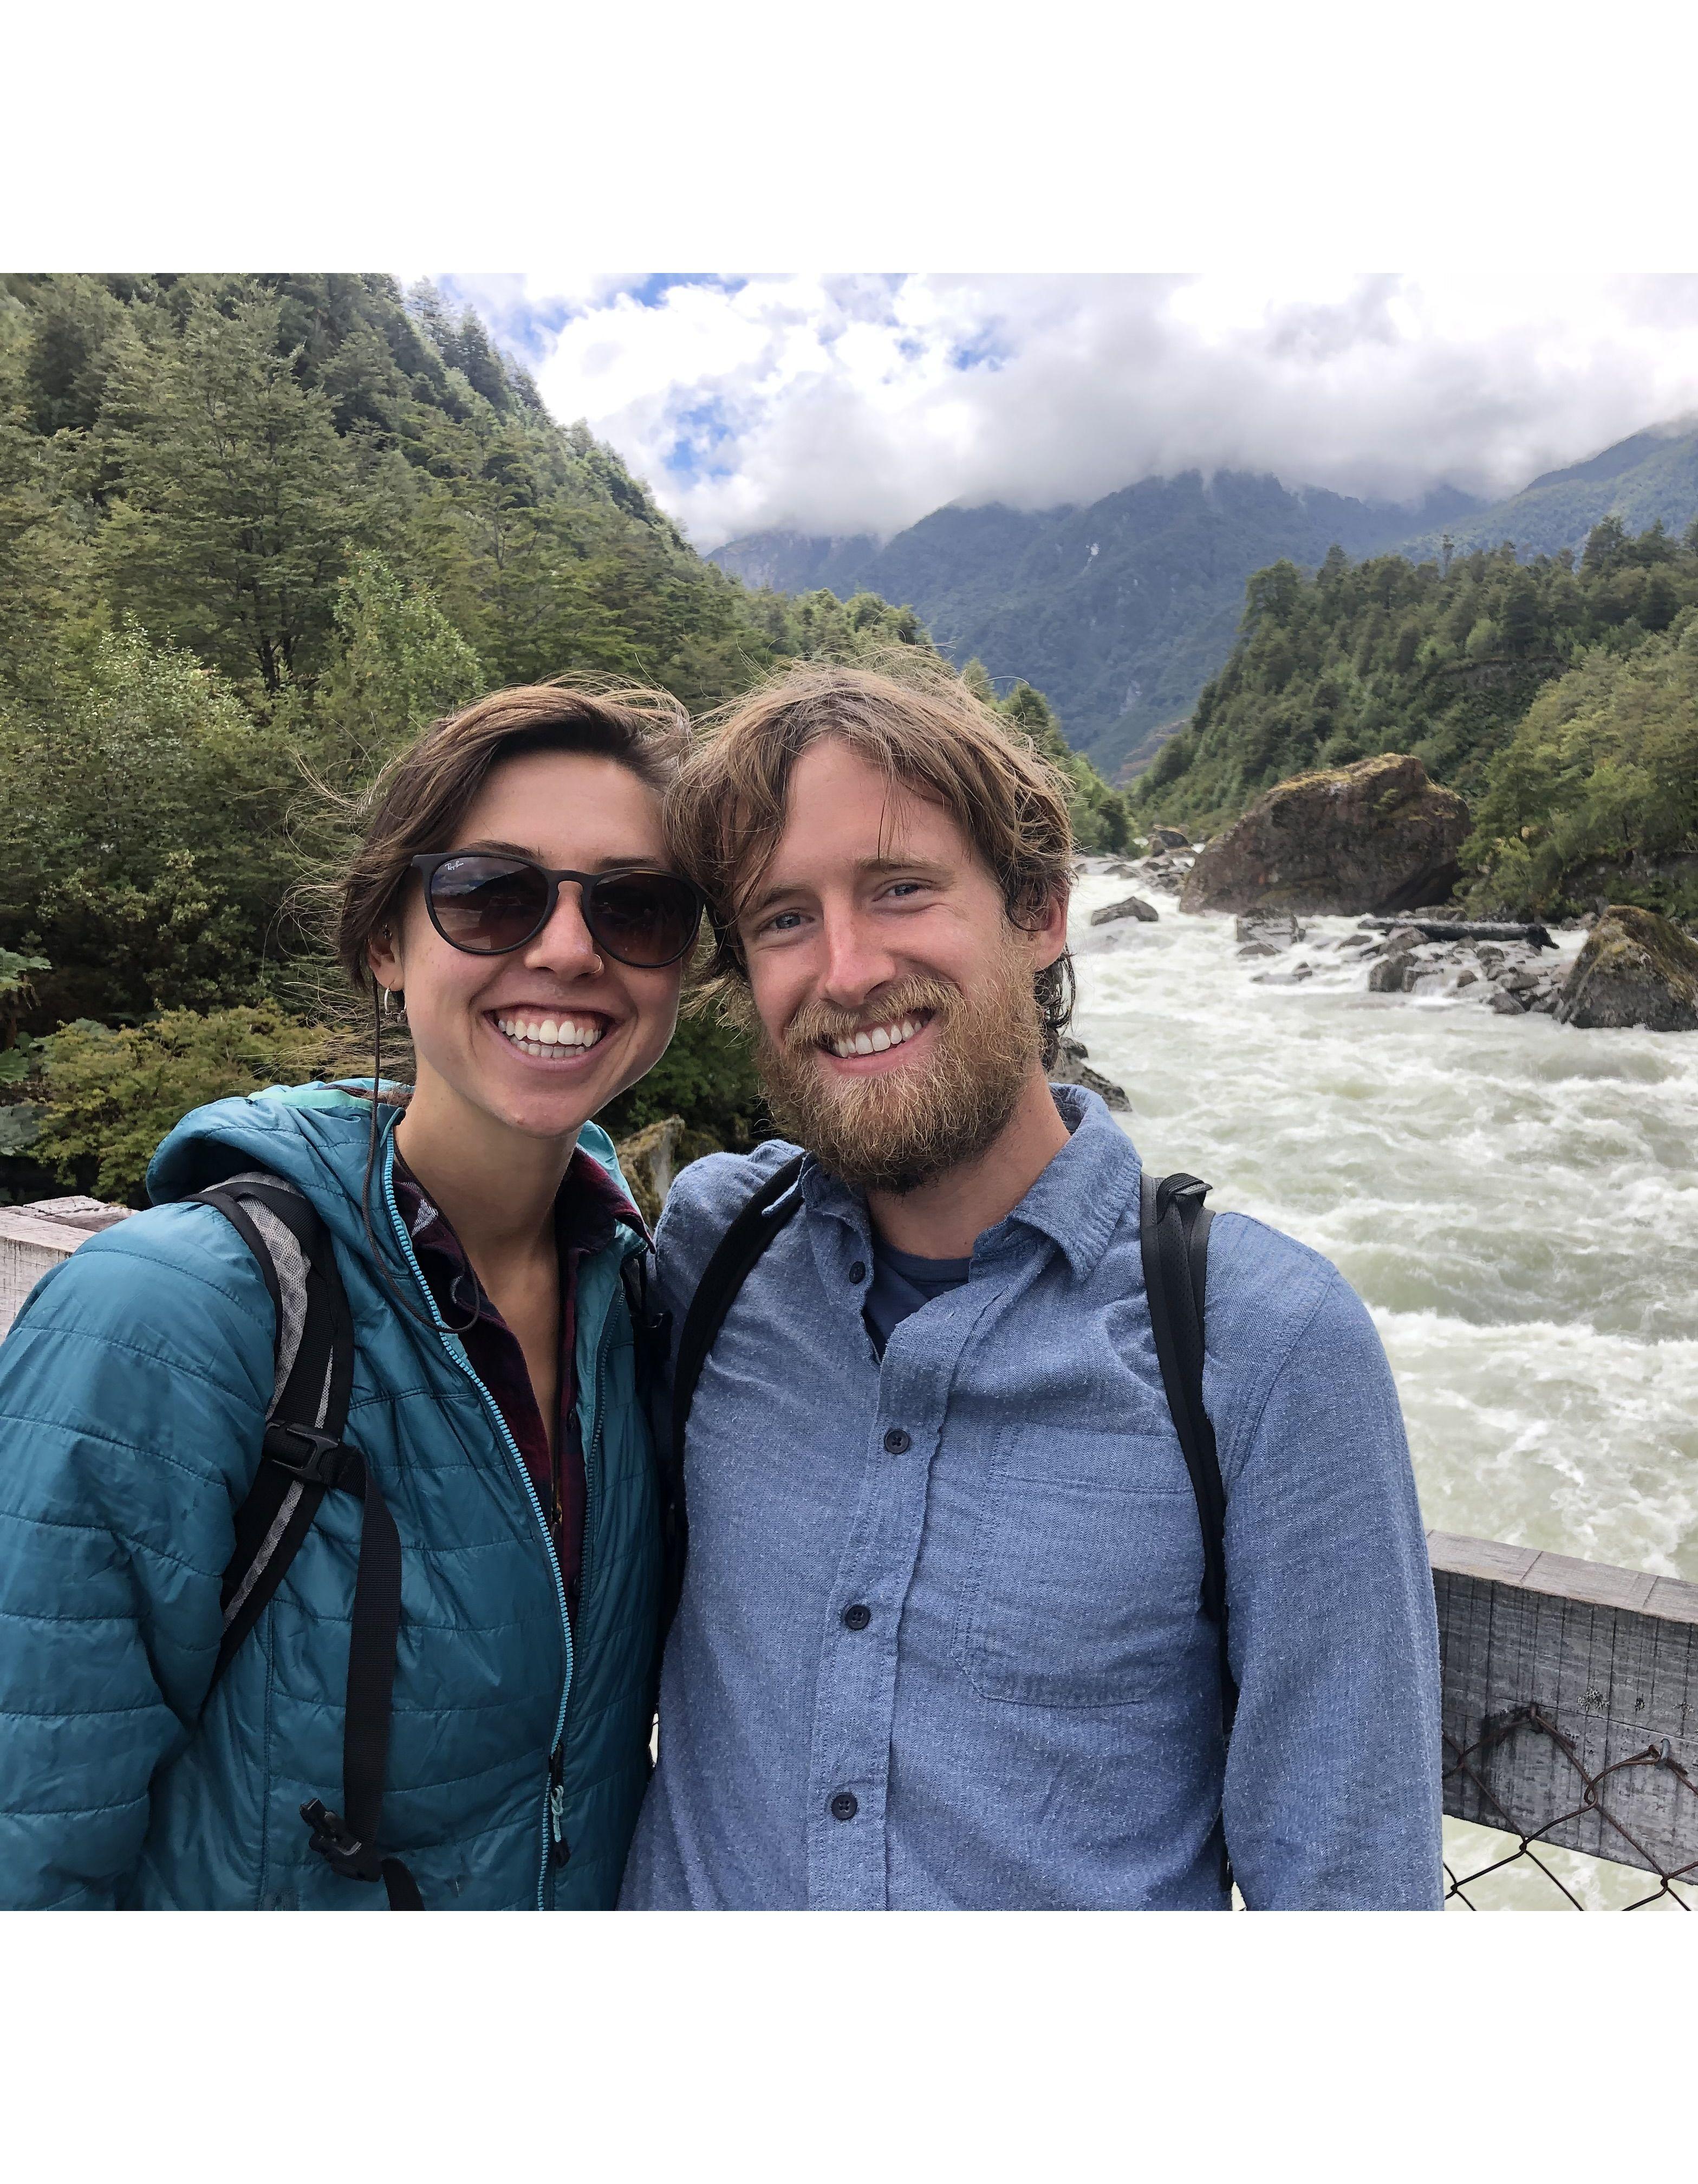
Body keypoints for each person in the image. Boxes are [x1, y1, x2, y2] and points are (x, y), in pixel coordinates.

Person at [621, 661, 1443, 1910]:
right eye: (784, 918)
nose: (846, 971)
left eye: (901, 889)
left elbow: (1346, 1893)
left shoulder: (1264, 1349)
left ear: (1041, 911)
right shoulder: (714, 1253)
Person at [0, 685, 703, 1908]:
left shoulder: (643, 1299)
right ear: (387, 940)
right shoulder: (172, 1320)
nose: (569, 950)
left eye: (636, 907)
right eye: (491, 894)